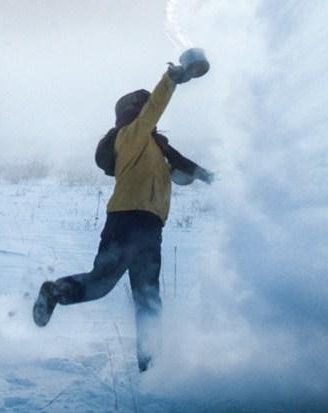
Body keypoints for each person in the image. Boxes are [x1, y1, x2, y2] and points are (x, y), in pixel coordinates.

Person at [32, 49, 213, 372]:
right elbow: (153, 109)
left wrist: (203, 175)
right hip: (126, 221)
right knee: (101, 283)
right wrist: (171, 78)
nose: (152, 118)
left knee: (148, 298)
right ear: (134, 114)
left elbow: (179, 167)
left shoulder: (153, 149)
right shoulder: (130, 136)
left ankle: (151, 363)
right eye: (145, 111)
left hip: (150, 229)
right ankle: (54, 292)